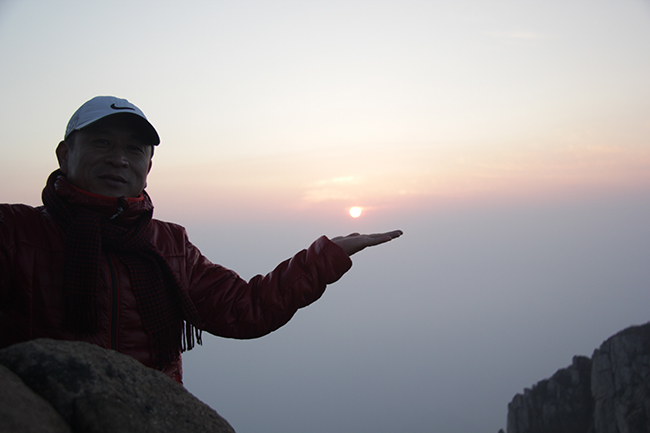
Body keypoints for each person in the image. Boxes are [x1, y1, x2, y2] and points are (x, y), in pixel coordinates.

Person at [0, 96, 402, 383]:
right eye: (101, 142)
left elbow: (245, 308)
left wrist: (325, 257)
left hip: (145, 416)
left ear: (148, 167)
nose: (118, 158)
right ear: (64, 154)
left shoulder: (169, 245)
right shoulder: (15, 231)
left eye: (133, 149)